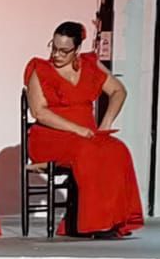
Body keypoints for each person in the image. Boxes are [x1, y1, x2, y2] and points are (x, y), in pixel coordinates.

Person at [24, 21, 144, 238]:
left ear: (77, 49)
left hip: (86, 135)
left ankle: (113, 219)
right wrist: (76, 129)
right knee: (87, 152)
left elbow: (118, 91)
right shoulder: (40, 69)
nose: (57, 55)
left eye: (64, 51)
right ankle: (94, 223)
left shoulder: (89, 65)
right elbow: (39, 112)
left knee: (117, 150)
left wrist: (105, 123)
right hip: (52, 137)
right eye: (54, 47)